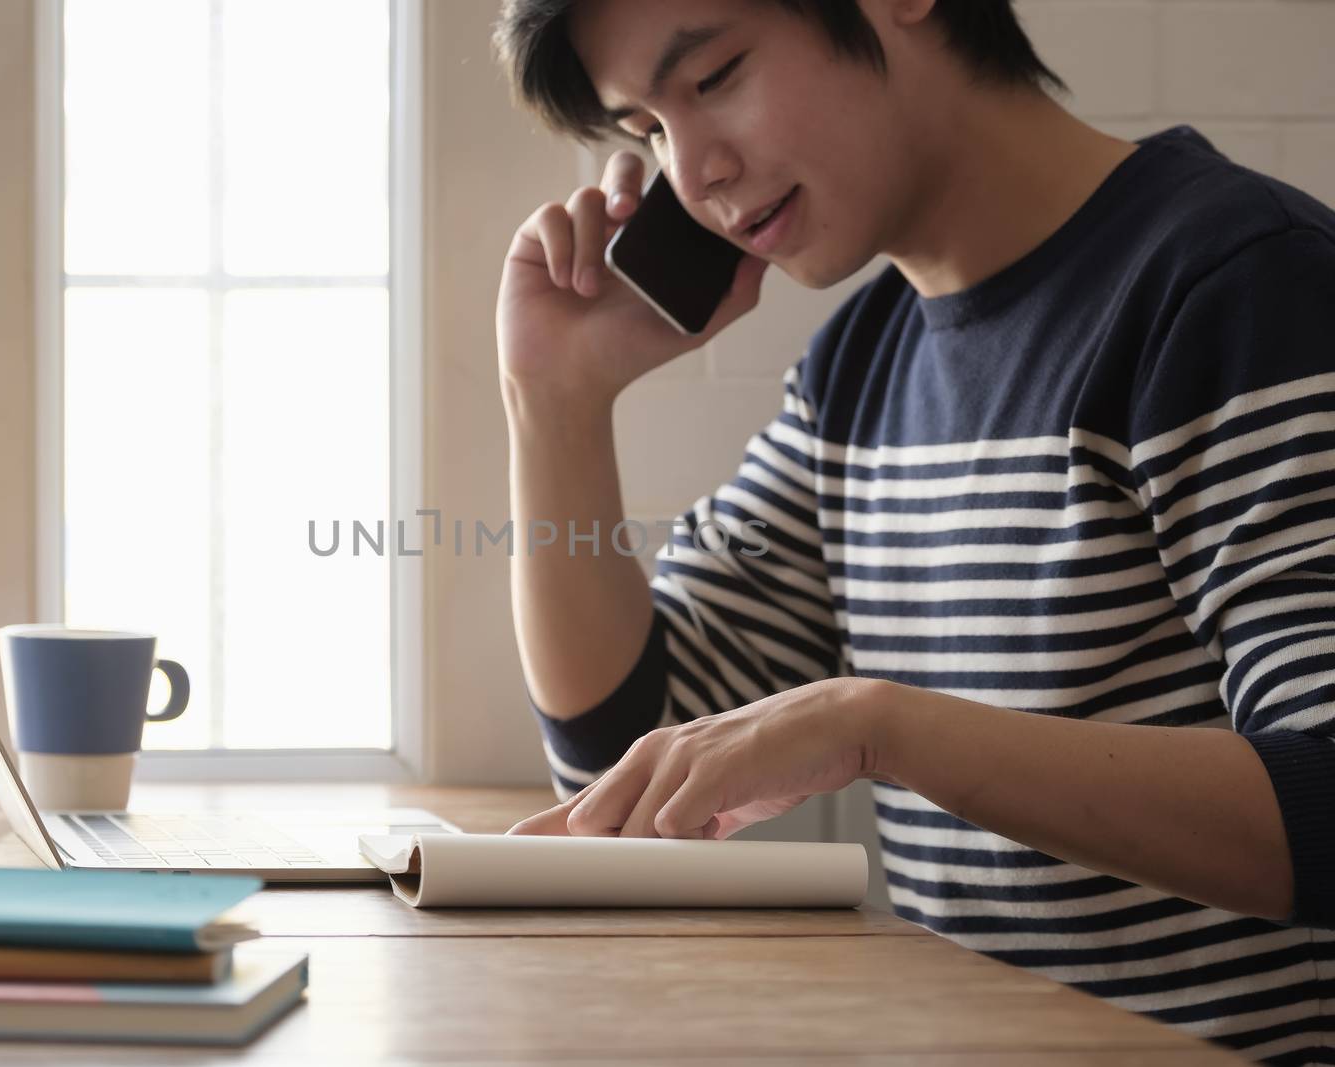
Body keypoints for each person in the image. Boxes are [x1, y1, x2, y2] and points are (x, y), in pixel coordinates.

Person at [489, 0, 1335, 1062]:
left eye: (714, 77)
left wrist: (880, 726)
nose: (692, 171)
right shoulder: (858, 367)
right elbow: (626, 768)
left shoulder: (1236, 287)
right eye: (647, 129)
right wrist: (553, 401)